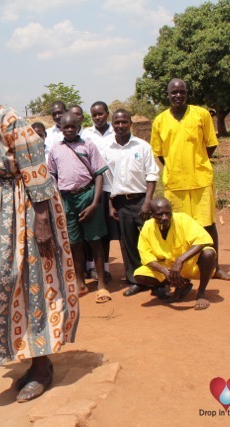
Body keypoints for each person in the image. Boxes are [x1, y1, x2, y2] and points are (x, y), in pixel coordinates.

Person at [0, 64, 79, 403]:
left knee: (35, 282)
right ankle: (28, 357)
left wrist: (41, 222)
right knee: (2, 283)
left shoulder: (8, 120)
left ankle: (42, 366)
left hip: (28, 203)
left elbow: (35, 166)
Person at [151, 78, 230, 281]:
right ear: (167, 95)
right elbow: (160, 154)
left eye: (182, 92)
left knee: (207, 224)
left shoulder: (201, 114)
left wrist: (197, 162)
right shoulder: (159, 121)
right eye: (174, 92)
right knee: (178, 228)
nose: (178, 95)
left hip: (200, 179)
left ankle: (215, 267)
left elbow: (211, 145)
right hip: (175, 183)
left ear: (187, 94)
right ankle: (186, 268)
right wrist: (175, 166)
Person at [48, 112, 110, 302]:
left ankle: (101, 284)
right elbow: (52, 176)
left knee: (95, 241)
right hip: (67, 199)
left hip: (87, 195)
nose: (68, 130)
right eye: (65, 127)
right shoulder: (55, 149)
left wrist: (94, 203)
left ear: (78, 126)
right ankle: (79, 281)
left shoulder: (88, 145)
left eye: (72, 127)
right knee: (74, 243)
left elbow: (99, 174)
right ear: (60, 128)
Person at [105, 109, 159, 296]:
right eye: (117, 122)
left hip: (141, 200)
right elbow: (106, 181)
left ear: (131, 124)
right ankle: (136, 280)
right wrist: (111, 205)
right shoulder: (107, 149)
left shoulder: (142, 146)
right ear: (112, 124)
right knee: (127, 244)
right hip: (120, 203)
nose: (120, 126)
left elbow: (152, 175)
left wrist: (148, 202)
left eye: (124, 122)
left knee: (151, 241)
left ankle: (158, 280)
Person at [134, 197, 217, 310]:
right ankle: (182, 285)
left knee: (208, 253)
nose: (165, 218)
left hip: (188, 265)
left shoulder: (183, 219)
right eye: (160, 214)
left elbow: (202, 240)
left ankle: (201, 293)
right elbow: (145, 256)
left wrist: (180, 260)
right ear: (151, 214)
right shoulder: (148, 227)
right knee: (140, 275)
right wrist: (165, 272)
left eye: (168, 213)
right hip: (167, 268)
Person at [81, 101, 116, 282]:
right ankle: (93, 267)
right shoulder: (86, 134)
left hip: (114, 187)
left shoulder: (116, 131)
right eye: (94, 115)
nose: (97, 117)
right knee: (96, 231)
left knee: (109, 233)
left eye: (101, 114)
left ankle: (107, 268)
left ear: (107, 114)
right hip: (95, 188)